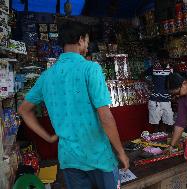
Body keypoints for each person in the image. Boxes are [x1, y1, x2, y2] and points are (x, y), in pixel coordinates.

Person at [18, 20, 129, 189]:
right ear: (80, 40)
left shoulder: (47, 76)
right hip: (99, 157)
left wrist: (48, 137)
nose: (88, 44)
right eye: (87, 40)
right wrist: (121, 152)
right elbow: (105, 117)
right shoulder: (90, 69)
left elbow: (23, 110)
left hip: (69, 160)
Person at [146, 49, 174, 132]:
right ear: (159, 59)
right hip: (154, 99)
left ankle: (164, 136)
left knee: (168, 121)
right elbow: (141, 75)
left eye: (166, 59)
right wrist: (149, 82)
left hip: (166, 99)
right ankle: (156, 138)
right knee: (155, 123)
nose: (164, 62)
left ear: (169, 59)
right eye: (162, 60)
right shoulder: (154, 68)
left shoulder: (171, 69)